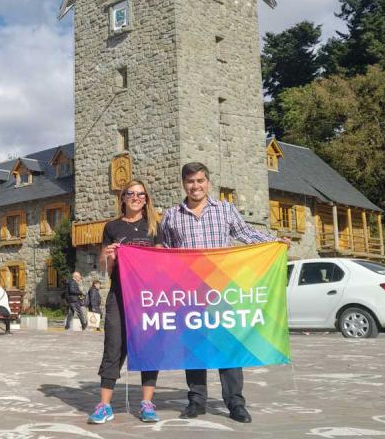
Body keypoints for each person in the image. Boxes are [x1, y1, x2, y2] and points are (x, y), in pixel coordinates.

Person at [158, 162, 290, 424]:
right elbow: (167, 251)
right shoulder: (172, 215)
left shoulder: (225, 210)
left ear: (208, 182)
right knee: (193, 348)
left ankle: (235, 403)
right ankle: (196, 400)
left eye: (200, 181)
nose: (195, 186)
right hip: (190, 292)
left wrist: (274, 241)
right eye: (190, 182)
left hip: (222, 290)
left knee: (228, 347)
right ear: (183, 184)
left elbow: (246, 233)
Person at [88, 179, 161, 425]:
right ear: (123, 197)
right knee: (113, 346)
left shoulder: (154, 226)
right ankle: (104, 405)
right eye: (131, 193)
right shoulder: (112, 227)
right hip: (119, 295)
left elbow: (162, 262)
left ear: (146, 198)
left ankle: (147, 403)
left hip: (147, 298)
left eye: (141, 194)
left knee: (148, 347)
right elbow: (107, 268)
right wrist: (109, 256)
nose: (136, 197)